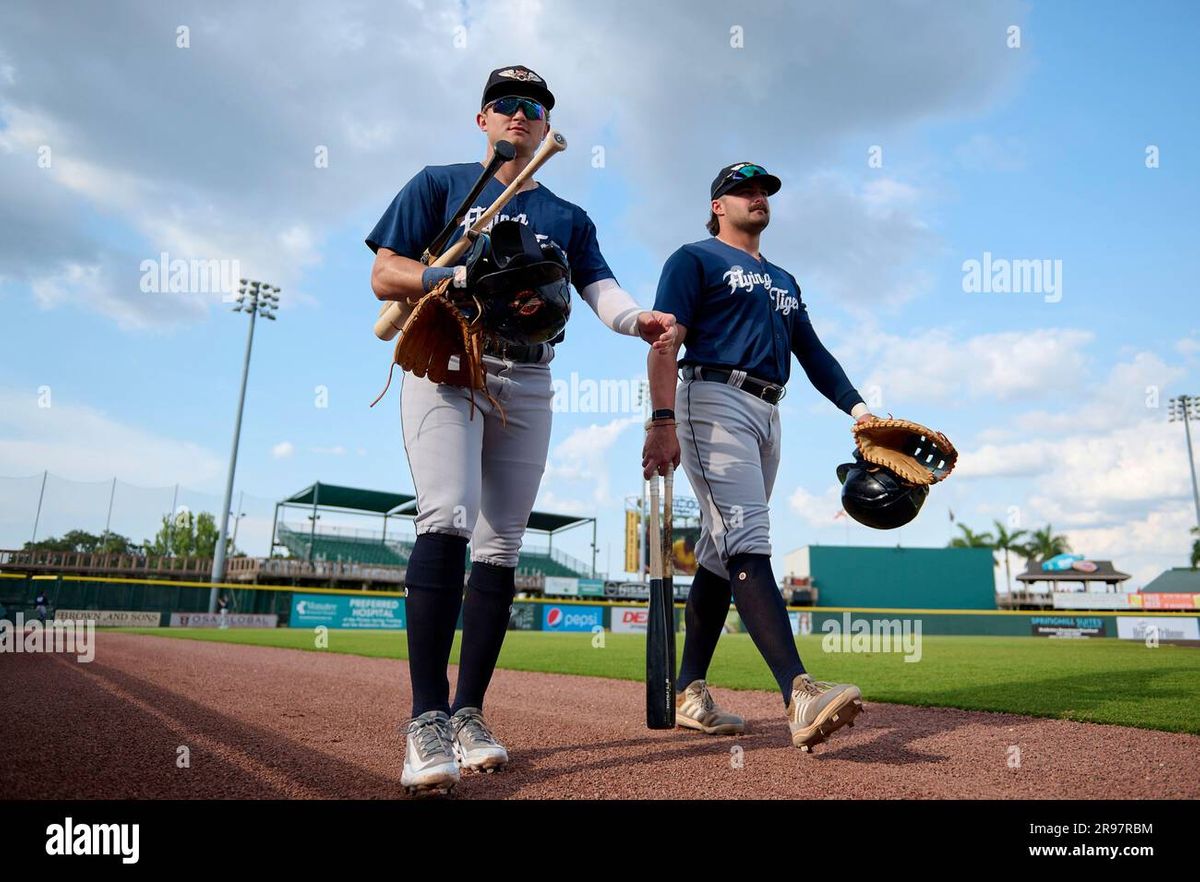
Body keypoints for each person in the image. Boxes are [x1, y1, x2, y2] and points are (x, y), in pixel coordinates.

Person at [367, 65, 676, 794]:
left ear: (545, 123)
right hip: (448, 357)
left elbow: (598, 285)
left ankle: (469, 712)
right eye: (504, 104)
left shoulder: (567, 215)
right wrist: (452, 278)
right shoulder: (441, 185)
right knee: (445, 517)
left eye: (533, 107)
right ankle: (424, 721)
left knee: (501, 542)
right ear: (483, 119)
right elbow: (386, 274)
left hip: (530, 373)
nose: (520, 114)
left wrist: (639, 320)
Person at [642, 162, 874, 751]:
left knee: (721, 553)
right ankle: (798, 693)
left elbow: (813, 352)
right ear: (718, 204)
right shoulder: (694, 259)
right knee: (748, 538)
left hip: (770, 409)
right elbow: (666, 339)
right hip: (712, 398)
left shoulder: (786, 280)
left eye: (764, 190)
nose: (757, 197)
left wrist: (859, 409)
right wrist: (662, 420)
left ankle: (689, 690)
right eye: (743, 190)